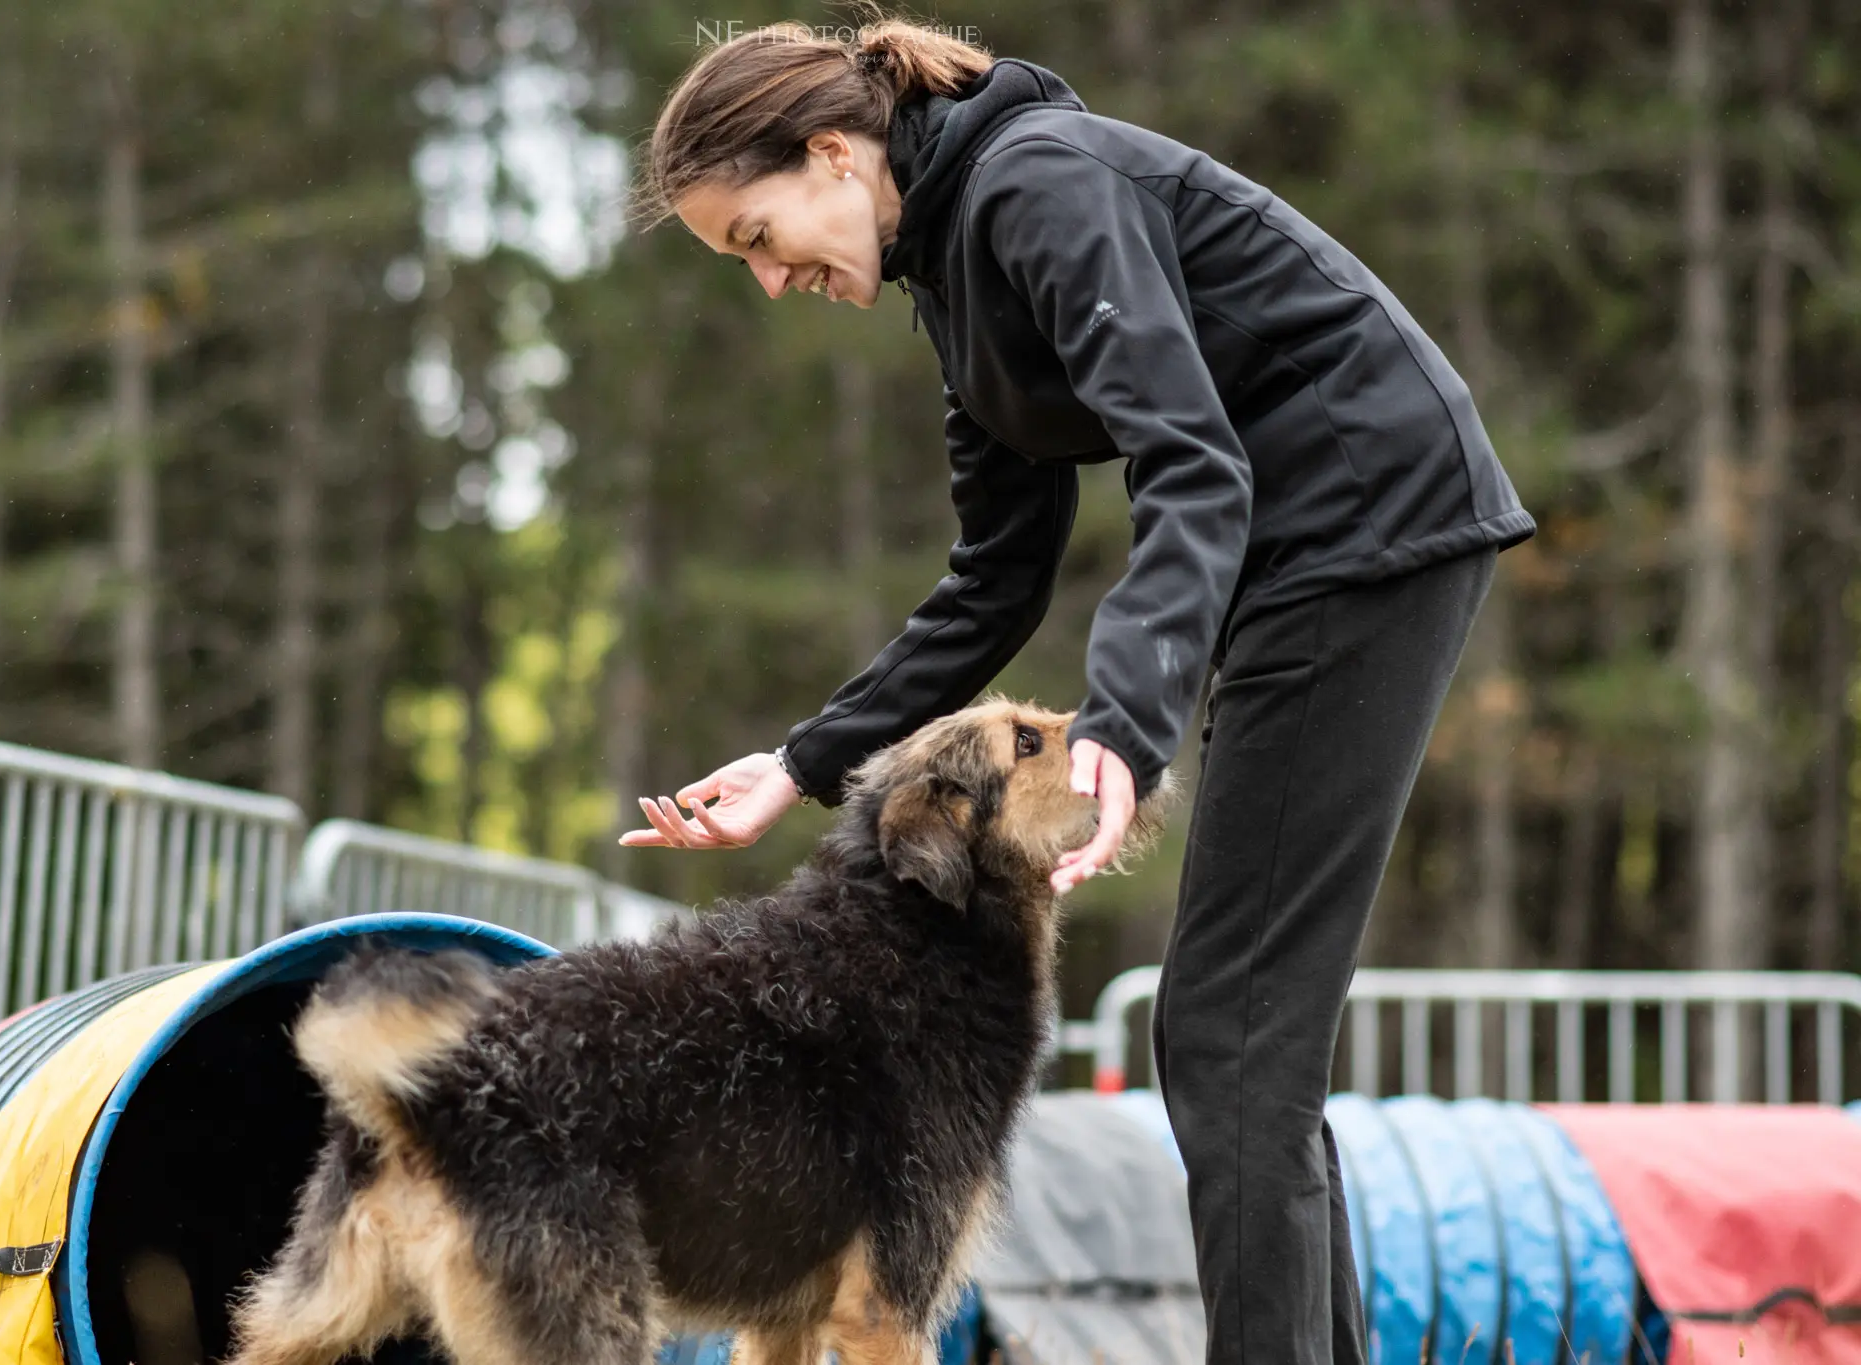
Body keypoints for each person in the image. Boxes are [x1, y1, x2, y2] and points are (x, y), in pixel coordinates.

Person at [620, 16, 1534, 1365]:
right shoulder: (957, 276)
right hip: (1297, 554)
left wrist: (1123, 717)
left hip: (1366, 525)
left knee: (1228, 1035)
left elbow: (1191, 461)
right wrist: (804, 761)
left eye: (758, 237)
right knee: (1238, 1040)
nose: (769, 281)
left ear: (830, 153)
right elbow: (995, 577)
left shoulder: (1040, 188)